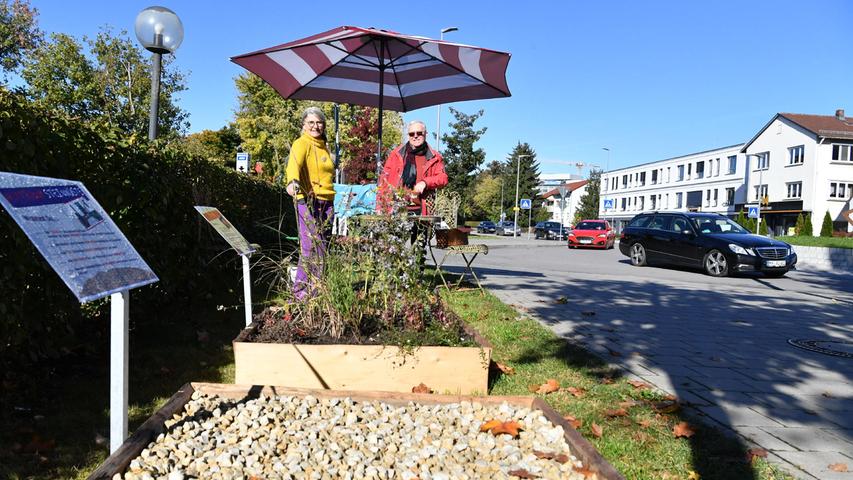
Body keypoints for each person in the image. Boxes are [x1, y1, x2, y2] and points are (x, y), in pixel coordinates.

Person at [285, 107, 335, 300]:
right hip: (308, 200)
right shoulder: (301, 143)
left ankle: (317, 289)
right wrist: (293, 182)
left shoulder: (324, 146)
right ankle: (299, 293)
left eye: (319, 122)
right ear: (304, 125)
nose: (316, 126)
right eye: (311, 122)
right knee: (309, 247)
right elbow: (293, 165)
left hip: (327, 201)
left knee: (323, 248)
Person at [377, 120, 448, 215]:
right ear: (408, 136)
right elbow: (384, 180)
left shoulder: (435, 157)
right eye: (411, 134)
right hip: (396, 209)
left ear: (426, 134)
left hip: (422, 211)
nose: (415, 136)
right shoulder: (396, 154)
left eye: (419, 133)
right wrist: (379, 206)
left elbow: (443, 178)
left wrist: (425, 183)